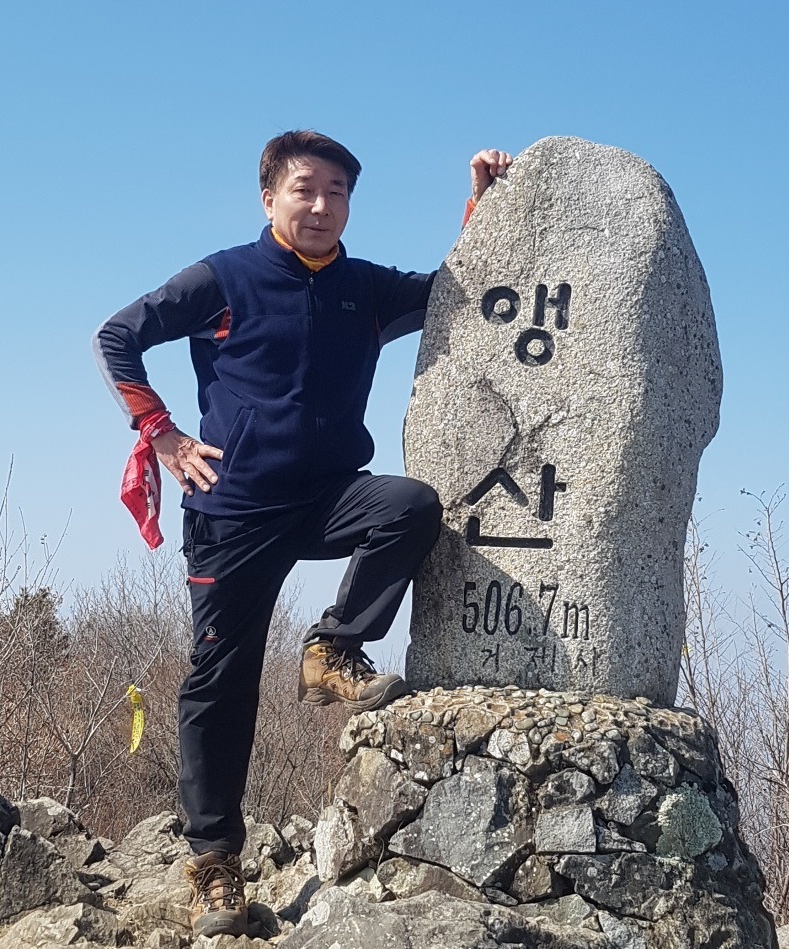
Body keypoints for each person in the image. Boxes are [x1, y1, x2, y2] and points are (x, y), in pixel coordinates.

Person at [93, 130, 512, 937]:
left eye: (337, 192)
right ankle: (214, 863)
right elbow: (117, 336)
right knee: (221, 680)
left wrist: (484, 205)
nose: (321, 206)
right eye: (304, 189)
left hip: (326, 495)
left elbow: (451, 292)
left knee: (410, 505)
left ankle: (332, 646)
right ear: (269, 198)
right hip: (233, 510)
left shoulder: (364, 288)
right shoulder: (223, 278)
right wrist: (162, 433)